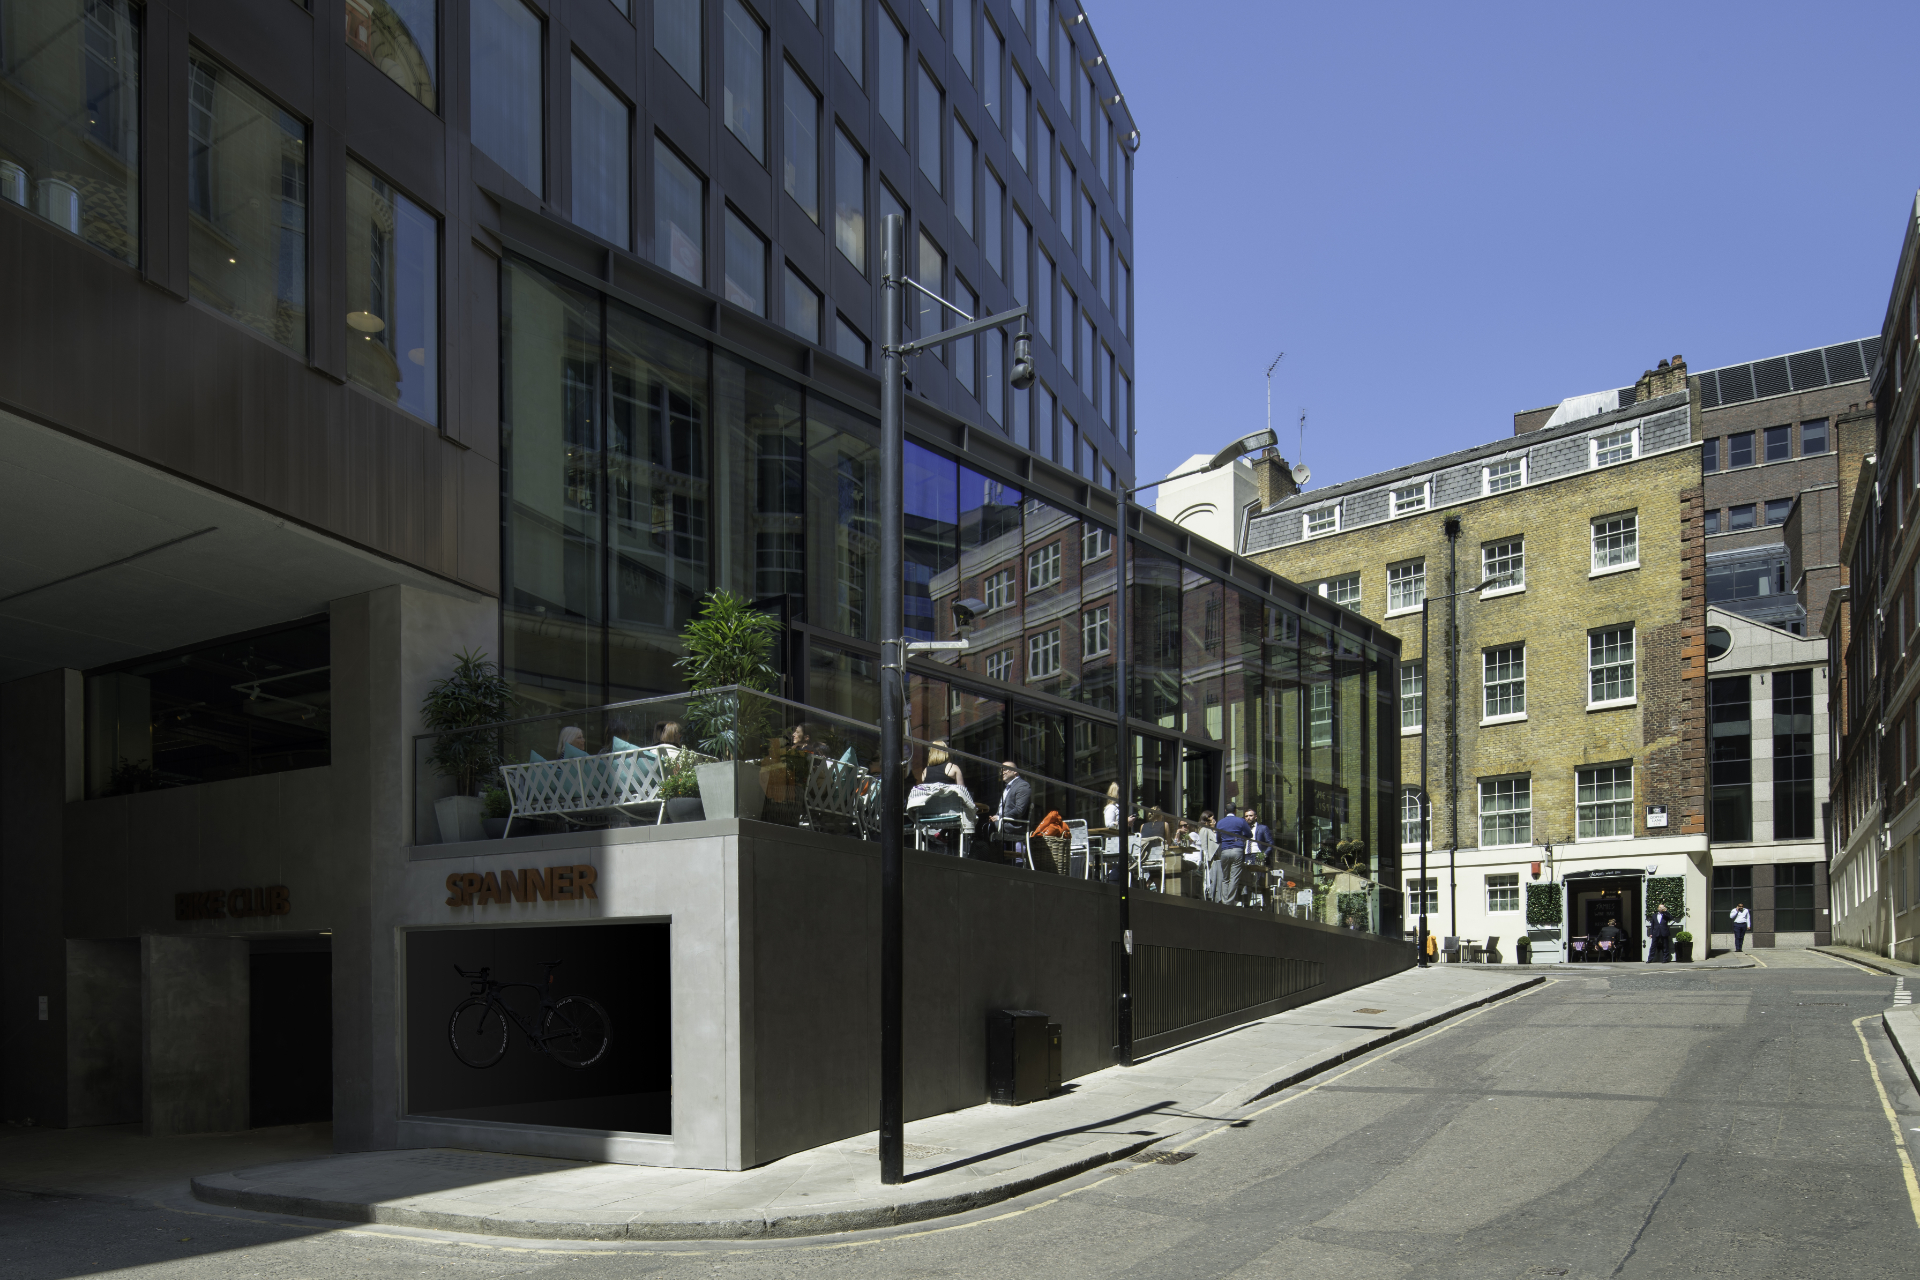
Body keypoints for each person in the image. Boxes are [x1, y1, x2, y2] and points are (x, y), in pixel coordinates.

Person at [989, 762, 1032, 865]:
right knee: (980, 825)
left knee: (985, 828)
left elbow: (1019, 810)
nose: (1002, 772)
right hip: (1003, 821)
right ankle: (993, 861)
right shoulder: (1007, 788)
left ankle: (992, 863)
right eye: (1001, 770)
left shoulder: (1023, 786)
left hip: (1013, 824)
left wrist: (999, 817)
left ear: (1015, 771)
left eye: (1005, 769)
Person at [1214, 808, 1252, 906]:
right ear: (1235, 811)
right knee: (1234, 877)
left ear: (1225, 810)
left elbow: (1218, 839)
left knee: (1225, 877)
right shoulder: (1241, 821)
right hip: (1237, 850)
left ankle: (1224, 900)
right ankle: (1229, 902)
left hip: (1225, 850)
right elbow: (1249, 834)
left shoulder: (1220, 823)